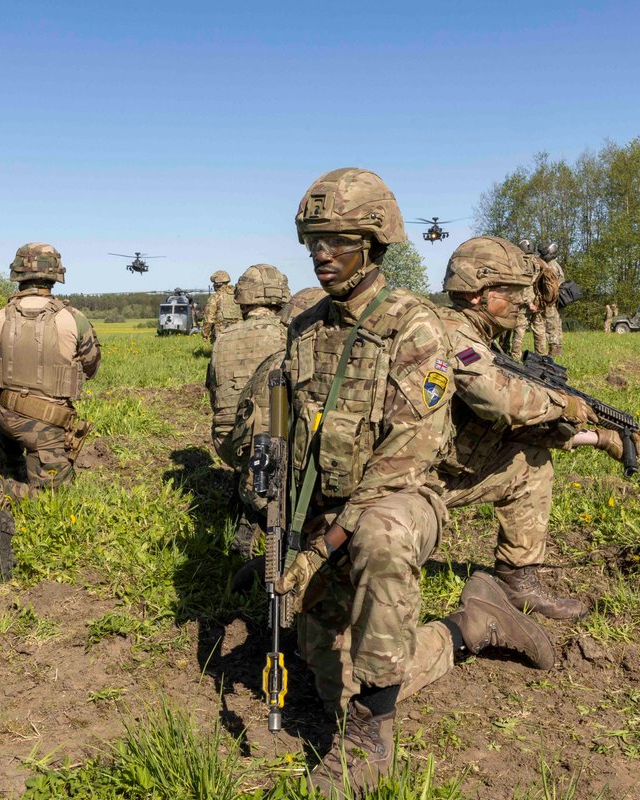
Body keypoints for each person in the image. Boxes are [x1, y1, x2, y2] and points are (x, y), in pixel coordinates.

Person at [273, 168, 556, 794]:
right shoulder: (304, 329)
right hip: (326, 511)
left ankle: (373, 738)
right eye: (313, 242)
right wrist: (279, 527)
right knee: (332, 682)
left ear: (374, 245)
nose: (323, 256)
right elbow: (290, 437)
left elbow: (404, 460)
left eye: (339, 241)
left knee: (384, 532)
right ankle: (473, 626)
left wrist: (323, 547)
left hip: (401, 501)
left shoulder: (415, 327)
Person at [436, 236, 640, 620]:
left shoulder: (472, 334)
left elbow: (507, 427)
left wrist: (598, 436)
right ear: (476, 293)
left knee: (531, 460)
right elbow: (499, 401)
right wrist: (565, 404)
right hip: (409, 487)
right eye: (511, 293)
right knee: (530, 467)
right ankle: (515, 584)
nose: (521, 303)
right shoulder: (453, 337)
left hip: (431, 469)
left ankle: (517, 581)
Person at [0, 243, 100, 495]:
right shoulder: (73, 318)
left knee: (10, 476)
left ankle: (2, 482)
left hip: (6, 419)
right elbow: (91, 364)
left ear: (18, 274)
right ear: (55, 274)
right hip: (48, 425)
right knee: (52, 500)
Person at [205, 264, 291, 557]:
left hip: (227, 443)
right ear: (279, 297)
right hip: (266, 445)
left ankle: (246, 491)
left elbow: (213, 393)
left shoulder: (223, 339)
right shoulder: (286, 337)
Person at [509, 239, 548, 359]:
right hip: (539, 302)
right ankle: (542, 356)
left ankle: (516, 355)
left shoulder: (522, 263)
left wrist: (528, 302)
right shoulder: (541, 262)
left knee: (519, 330)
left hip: (525, 303)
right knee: (540, 330)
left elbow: (523, 285)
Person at [200, 270, 242, 342]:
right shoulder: (238, 295)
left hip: (222, 332)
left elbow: (209, 318)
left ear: (216, 284)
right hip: (240, 329)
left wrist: (205, 334)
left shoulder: (216, 297)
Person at [539, 243, 565, 358]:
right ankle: (558, 350)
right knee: (557, 324)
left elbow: (550, 288)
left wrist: (545, 301)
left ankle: (554, 351)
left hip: (551, 302)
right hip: (556, 300)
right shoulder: (555, 264)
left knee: (551, 326)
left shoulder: (551, 266)